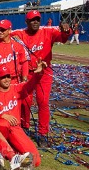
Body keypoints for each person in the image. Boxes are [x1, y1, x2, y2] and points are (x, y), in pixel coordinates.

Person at [10, 10, 72, 147]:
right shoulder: (19, 34)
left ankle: (43, 134)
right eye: (32, 20)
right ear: (26, 22)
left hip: (44, 72)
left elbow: (63, 37)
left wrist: (66, 31)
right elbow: (2, 35)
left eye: (37, 19)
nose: (35, 22)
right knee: (25, 101)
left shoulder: (47, 31)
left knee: (42, 102)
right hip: (28, 72)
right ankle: (24, 127)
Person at [0, 64, 46, 170]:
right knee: (3, 123)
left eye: (8, 76)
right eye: (3, 77)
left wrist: (38, 74)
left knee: (36, 160)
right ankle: (0, 152)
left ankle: (14, 152)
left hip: (16, 129)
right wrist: (2, 116)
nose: (6, 79)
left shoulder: (16, 88)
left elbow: (30, 85)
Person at [0, 19, 28, 90]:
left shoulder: (18, 44)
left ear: (9, 30)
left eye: (3, 30)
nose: (0, 32)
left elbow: (24, 62)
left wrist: (24, 80)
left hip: (14, 80)